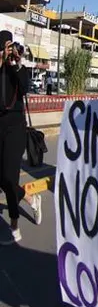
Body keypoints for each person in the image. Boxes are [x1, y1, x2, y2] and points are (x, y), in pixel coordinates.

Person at [0, 31, 42, 245]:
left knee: (9, 178)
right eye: (5, 47)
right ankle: (29, 198)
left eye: (11, 47)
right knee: (2, 179)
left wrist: (17, 63)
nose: (10, 51)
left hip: (15, 127)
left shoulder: (18, 69)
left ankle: (14, 225)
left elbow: (25, 88)